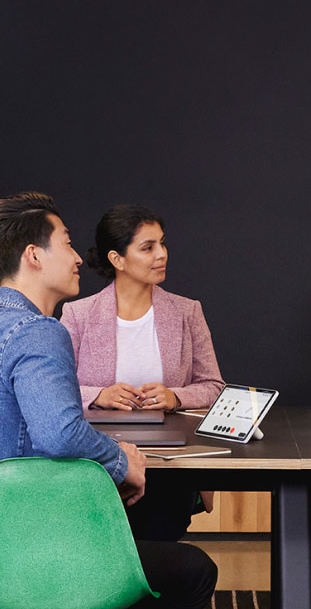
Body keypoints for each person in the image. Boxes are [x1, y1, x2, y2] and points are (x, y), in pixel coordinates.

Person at [0, 192, 217, 609]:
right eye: (67, 244)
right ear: (32, 255)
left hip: (10, 540)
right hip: (51, 538)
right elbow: (59, 430)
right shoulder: (43, 328)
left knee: (150, 527)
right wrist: (122, 459)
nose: (77, 256)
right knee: (191, 572)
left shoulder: (183, 311)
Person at [62, 203, 225, 542]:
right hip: (99, 459)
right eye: (148, 247)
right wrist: (98, 394)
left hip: (170, 459)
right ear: (117, 259)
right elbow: (55, 391)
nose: (161, 254)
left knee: (161, 536)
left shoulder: (187, 311)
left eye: (162, 244)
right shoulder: (77, 315)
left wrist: (174, 396)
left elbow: (213, 386)